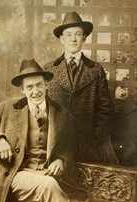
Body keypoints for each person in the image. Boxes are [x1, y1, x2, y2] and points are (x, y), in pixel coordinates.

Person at [0, 59, 73, 202]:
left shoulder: (62, 114)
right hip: (16, 174)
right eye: (29, 87)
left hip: (47, 173)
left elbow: (68, 144)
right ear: (22, 89)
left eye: (39, 85)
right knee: (48, 185)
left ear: (46, 85)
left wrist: (61, 159)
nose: (35, 91)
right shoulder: (8, 108)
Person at [44, 11, 119, 164]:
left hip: (87, 145)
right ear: (61, 39)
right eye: (69, 34)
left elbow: (106, 109)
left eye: (78, 34)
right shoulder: (49, 69)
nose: (73, 39)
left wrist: (94, 137)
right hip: (56, 145)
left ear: (84, 38)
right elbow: (44, 106)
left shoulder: (95, 69)